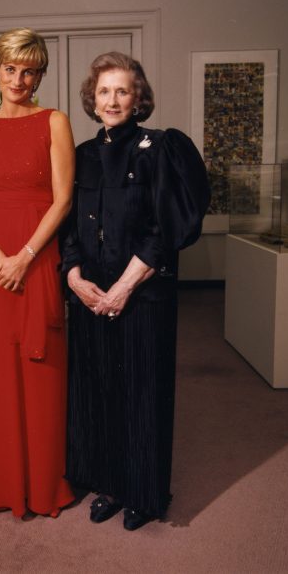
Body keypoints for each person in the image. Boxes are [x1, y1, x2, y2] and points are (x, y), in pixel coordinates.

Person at [61, 52, 210, 531]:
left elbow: (163, 230)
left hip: (142, 297)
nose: (112, 100)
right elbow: (69, 230)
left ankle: (144, 495)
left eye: (122, 90)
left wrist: (123, 289)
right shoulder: (81, 155)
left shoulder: (160, 147)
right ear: (92, 98)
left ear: (138, 97)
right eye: (103, 91)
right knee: (99, 393)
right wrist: (74, 277)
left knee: (142, 395)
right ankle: (108, 483)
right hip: (90, 297)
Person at [0, 28, 76, 517]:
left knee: (40, 363)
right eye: (10, 69)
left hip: (38, 254)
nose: (19, 79)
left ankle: (43, 484)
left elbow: (64, 199)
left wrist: (24, 256)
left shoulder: (55, 122)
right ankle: (1, 485)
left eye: (29, 70)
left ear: (40, 74)